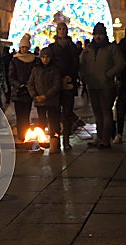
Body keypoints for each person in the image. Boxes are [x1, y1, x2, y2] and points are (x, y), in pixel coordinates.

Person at [80, 22, 124, 149]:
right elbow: (82, 63)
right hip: (92, 85)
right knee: (97, 113)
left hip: (106, 86)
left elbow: (119, 64)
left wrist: (108, 75)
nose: (98, 37)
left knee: (106, 113)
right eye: (96, 34)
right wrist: (84, 76)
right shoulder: (88, 49)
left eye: (100, 34)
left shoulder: (111, 48)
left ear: (104, 35)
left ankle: (105, 139)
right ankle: (99, 137)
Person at [48, 22, 80, 150]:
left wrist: (70, 78)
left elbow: (76, 64)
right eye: (59, 29)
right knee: (54, 114)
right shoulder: (52, 47)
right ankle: (54, 140)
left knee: (67, 113)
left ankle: (66, 141)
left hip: (69, 84)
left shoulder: (72, 47)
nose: (61, 31)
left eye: (63, 29)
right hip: (55, 85)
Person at [27, 47, 62, 154]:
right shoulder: (36, 69)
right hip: (39, 101)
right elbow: (30, 83)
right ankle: (40, 144)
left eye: (47, 57)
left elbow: (57, 85)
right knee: (41, 122)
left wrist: (46, 96)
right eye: (43, 57)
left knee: (53, 122)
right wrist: (34, 96)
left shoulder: (54, 70)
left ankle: (54, 144)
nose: (45, 59)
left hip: (51, 100)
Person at [8, 33, 38, 141]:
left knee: (26, 115)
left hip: (28, 91)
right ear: (20, 48)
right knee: (19, 115)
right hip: (18, 92)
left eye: (26, 47)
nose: (24, 49)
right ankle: (21, 135)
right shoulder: (15, 60)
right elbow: (11, 76)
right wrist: (18, 84)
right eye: (22, 47)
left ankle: (25, 135)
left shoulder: (33, 59)